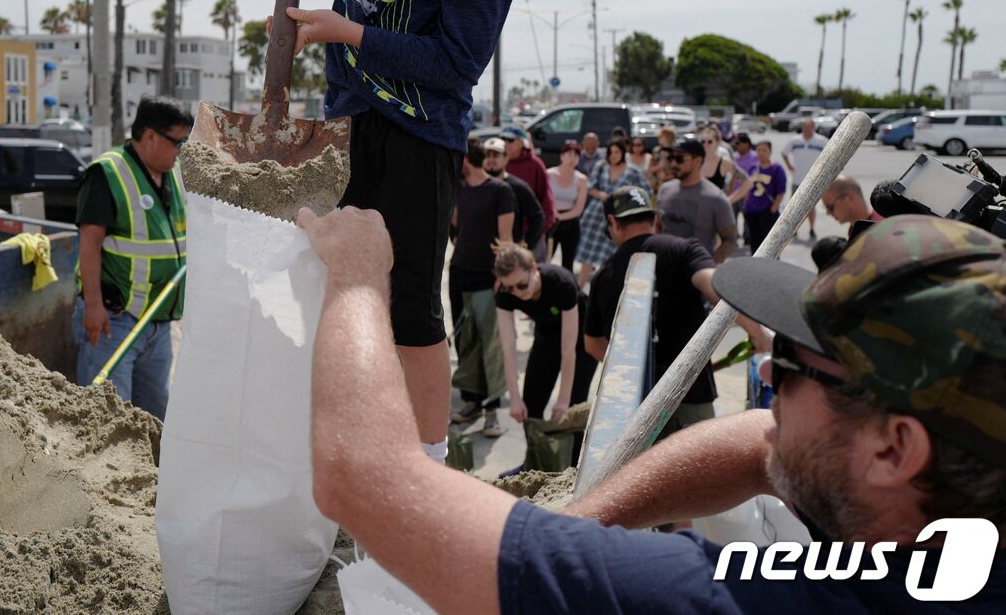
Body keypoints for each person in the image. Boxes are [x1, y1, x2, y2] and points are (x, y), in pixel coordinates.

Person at [298, 207, 1005, 613]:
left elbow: (362, 476)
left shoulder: (737, 601)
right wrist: (574, 524)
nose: (764, 369)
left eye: (792, 365)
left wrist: (359, 275)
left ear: (892, 449)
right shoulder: (944, 520)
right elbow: (762, 439)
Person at [265, 0, 519, 464]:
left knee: (411, 308)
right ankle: (341, 449)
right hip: (346, 121)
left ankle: (428, 466)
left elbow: (453, 65)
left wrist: (351, 34)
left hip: (420, 137)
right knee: (339, 289)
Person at [584, 186, 767, 439]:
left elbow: (593, 345)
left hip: (634, 405)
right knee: (698, 473)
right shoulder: (684, 250)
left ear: (612, 222)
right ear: (655, 218)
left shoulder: (604, 275)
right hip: (690, 394)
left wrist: (633, 369)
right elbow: (716, 288)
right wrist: (758, 334)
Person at [72, 97, 190, 421]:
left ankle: (150, 473)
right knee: (109, 419)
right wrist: (93, 307)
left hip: (157, 324)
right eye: (177, 141)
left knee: (154, 419)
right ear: (150, 136)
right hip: (114, 322)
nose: (182, 149)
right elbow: (89, 243)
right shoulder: (107, 173)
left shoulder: (175, 174)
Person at [450, 138, 515, 437]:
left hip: (488, 278)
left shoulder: (500, 191)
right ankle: (471, 402)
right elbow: (455, 226)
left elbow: (506, 239)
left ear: (466, 159)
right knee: (466, 342)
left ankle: (492, 412)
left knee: (491, 346)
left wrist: (502, 276)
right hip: (460, 274)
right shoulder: (458, 188)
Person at [491, 242, 593, 427]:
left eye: (521, 285)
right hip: (546, 335)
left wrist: (562, 400)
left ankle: (572, 454)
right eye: (509, 287)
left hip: (580, 340)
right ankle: (536, 454)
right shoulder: (505, 294)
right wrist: (514, 398)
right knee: (530, 407)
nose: (517, 293)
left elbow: (568, 350)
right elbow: (508, 346)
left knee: (572, 410)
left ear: (534, 268)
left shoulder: (561, 282)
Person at [574, 138, 648, 288]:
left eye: (617, 152)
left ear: (623, 153)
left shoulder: (633, 171)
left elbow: (645, 191)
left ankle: (604, 289)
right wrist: (603, 196)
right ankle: (579, 290)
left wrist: (625, 200)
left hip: (618, 218)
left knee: (611, 256)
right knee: (587, 256)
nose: (613, 155)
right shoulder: (601, 166)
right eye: (610, 152)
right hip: (595, 216)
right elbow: (591, 187)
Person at [658, 138, 739, 263]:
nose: (673, 164)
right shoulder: (664, 190)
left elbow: (730, 241)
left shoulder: (716, 198)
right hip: (664, 271)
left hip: (697, 277)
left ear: (697, 161)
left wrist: (707, 265)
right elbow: (657, 228)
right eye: (671, 158)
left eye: (680, 159)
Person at [483, 137, 543, 252]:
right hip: (477, 253)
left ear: (506, 159)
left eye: (495, 156)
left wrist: (525, 246)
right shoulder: (475, 185)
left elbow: (537, 217)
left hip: (506, 254)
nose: (491, 160)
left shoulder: (519, 187)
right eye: (487, 156)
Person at [498, 124, 554, 241]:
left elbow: (545, 197)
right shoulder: (495, 163)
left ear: (521, 142)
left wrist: (541, 230)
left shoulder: (535, 165)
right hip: (499, 230)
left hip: (528, 232)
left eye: (510, 140)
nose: (506, 144)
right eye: (503, 139)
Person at [735, 139, 786, 252]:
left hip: (767, 211)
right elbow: (747, 187)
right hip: (752, 212)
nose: (761, 153)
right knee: (755, 243)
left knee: (769, 246)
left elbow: (780, 191)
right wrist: (747, 204)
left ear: (770, 152)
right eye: (759, 150)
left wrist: (773, 209)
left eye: (764, 150)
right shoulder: (753, 168)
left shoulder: (777, 169)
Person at [782, 118, 829, 239]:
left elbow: (830, 155)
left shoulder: (821, 141)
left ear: (814, 128)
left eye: (810, 127)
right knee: (794, 207)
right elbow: (784, 152)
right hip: (797, 179)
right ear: (802, 127)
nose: (807, 130)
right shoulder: (795, 140)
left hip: (813, 181)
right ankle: (794, 229)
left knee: (810, 207)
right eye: (805, 127)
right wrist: (789, 166)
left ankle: (812, 228)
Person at [544, 140, 587, 271]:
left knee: (568, 263)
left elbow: (579, 208)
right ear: (562, 156)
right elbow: (543, 198)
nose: (572, 158)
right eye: (569, 154)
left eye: (576, 155)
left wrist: (561, 217)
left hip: (570, 222)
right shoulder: (549, 174)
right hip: (550, 220)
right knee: (546, 258)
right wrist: (552, 214)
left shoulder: (581, 179)